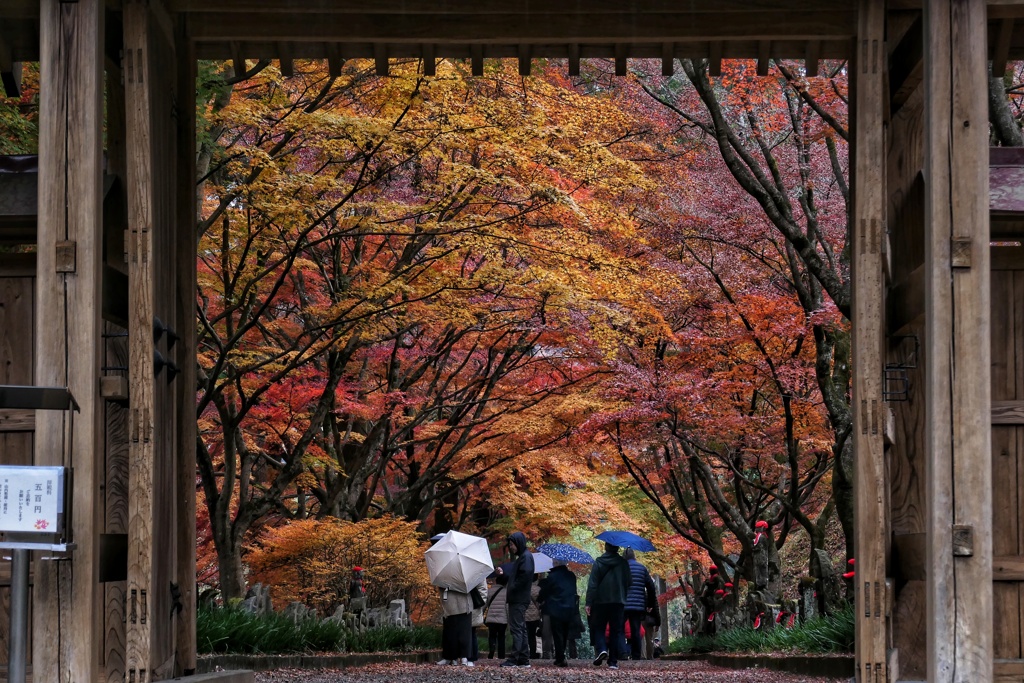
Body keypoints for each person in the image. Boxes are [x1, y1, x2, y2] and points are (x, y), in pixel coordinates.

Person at [585, 542, 631, 670]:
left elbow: (593, 584)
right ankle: (613, 662)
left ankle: (602, 649)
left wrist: (589, 602)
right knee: (615, 630)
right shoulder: (623, 563)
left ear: (606, 547)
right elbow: (629, 581)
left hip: (600, 601)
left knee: (599, 627)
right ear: (617, 548)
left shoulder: (599, 562)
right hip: (618, 601)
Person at [496, 531, 535, 667]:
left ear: (519, 543)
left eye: (512, 544)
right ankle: (523, 659)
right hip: (518, 598)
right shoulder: (523, 558)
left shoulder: (526, 558)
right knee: (520, 628)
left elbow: (524, 577)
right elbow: (516, 578)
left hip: (518, 598)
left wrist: (512, 587)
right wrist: (503, 575)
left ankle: (514, 658)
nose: (511, 547)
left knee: (517, 629)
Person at [538, 559, 578, 667]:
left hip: (555, 607)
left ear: (556, 563)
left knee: (557, 632)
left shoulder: (552, 576)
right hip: (569, 607)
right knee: (565, 632)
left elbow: (545, 591)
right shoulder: (571, 576)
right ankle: (561, 655)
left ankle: (560, 657)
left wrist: (540, 599)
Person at [436, 580, 485, 666]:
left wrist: (479, 602)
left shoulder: (475, 573)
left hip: (470, 605)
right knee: (451, 632)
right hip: (453, 606)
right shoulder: (447, 575)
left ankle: (469, 658)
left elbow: (482, 588)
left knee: (469, 632)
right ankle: (452, 657)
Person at [623, 548, 658, 659]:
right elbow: (651, 587)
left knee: (619, 629)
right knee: (635, 630)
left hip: (623, 604)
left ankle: (621, 653)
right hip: (638, 605)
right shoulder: (642, 568)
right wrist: (650, 604)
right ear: (634, 556)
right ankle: (636, 656)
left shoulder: (620, 568)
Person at [484, 578, 508, 659]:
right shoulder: (506, 592)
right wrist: (509, 618)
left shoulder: (489, 591)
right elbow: (507, 607)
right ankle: (501, 655)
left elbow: (485, 604)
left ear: (496, 581)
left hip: (491, 618)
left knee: (492, 635)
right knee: (501, 636)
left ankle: (492, 649)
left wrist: (482, 613)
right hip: (502, 619)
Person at [525, 575, 542, 659]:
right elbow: (540, 603)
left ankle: (526, 652)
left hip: (525, 615)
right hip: (535, 615)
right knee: (534, 635)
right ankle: (534, 653)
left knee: (526, 634)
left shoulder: (524, 589)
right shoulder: (539, 589)